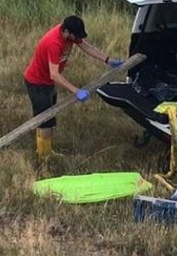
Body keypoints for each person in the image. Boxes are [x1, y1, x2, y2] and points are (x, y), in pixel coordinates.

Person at [23, 15, 123, 162]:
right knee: (46, 120)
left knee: (48, 115)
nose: (77, 40)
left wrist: (108, 60)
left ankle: (45, 149)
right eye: (75, 36)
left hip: (48, 83)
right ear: (67, 32)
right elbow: (55, 75)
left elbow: (86, 47)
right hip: (37, 83)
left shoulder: (69, 35)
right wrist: (76, 91)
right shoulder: (54, 43)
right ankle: (44, 157)